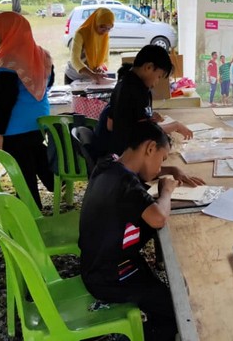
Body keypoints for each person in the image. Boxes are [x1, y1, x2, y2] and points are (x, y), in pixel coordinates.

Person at [80, 122, 178, 341]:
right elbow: (158, 218)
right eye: (162, 159)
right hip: (110, 276)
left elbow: (142, 179)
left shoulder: (109, 164)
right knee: (175, 308)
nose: (160, 169)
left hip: (98, 263)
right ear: (150, 148)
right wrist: (166, 192)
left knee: (163, 295)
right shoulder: (126, 185)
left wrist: (172, 171)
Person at [95, 44, 203, 186]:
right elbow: (143, 134)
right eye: (158, 77)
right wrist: (175, 126)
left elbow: (117, 124)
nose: (156, 82)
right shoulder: (136, 90)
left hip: (121, 153)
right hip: (125, 156)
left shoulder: (126, 82)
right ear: (148, 67)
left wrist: (149, 119)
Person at [0, 11, 55, 209]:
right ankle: (54, 183)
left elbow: (4, 102)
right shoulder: (42, 54)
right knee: (34, 156)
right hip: (38, 121)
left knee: (23, 173)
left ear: (11, 32)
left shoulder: (8, 61)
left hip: (15, 128)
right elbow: (48, 83)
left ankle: (31, 212)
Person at [64, 7, 114, 84]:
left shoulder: (105, 36)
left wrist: (101, 67)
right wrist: (92, 74)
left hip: (91, 78)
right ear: (96, 22)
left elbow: (105, 59)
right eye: (102, 27)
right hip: (74, 77)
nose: (104, 31)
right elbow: (75, 59)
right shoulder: (81, 33)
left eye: (108, 28)